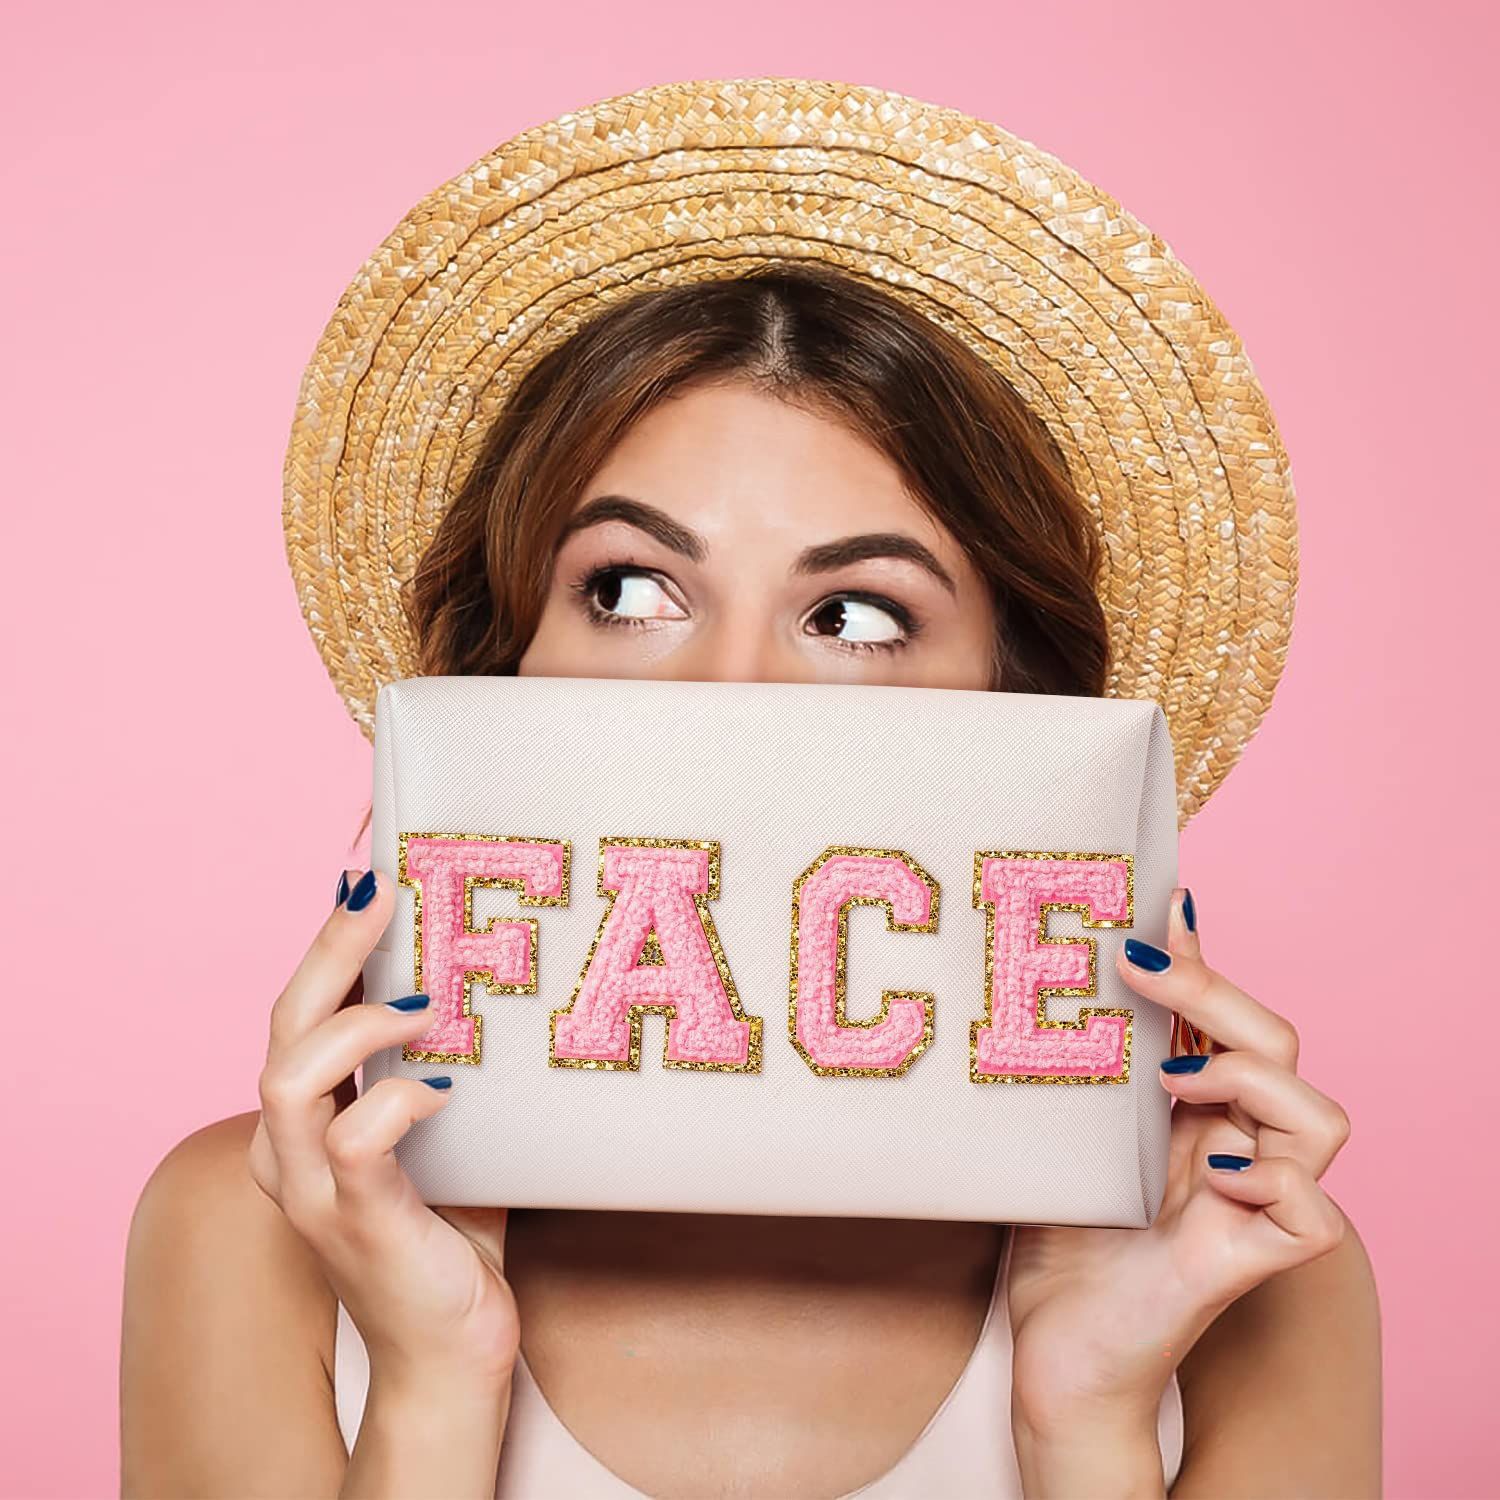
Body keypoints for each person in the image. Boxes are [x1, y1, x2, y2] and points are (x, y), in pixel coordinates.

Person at [121, 82, 1382, 1499]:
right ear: (502, 666)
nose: (731, 695)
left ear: (1023, 715)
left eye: (853, 614)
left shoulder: (1238, 1264)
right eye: (630, 587)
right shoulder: (247, 1229)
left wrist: (1085, 1419)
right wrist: (431, 1376)